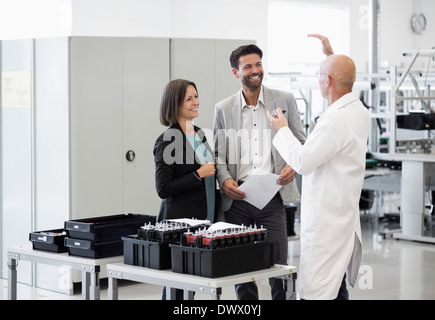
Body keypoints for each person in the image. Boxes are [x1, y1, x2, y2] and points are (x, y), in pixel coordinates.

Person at [266, 46, 370, 299]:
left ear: (328, 80)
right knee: (336, 284)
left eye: (319, 75)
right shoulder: (358, 111)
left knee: (317, 291)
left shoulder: (336, 120)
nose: (317, 80)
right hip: (341, 218)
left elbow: (302, 161)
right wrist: (330, 58)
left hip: (326, 224)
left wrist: (281, 128)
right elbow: (341, 74)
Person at [213, 44, 306, 300]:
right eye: (248, 67)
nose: (255, 71)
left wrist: (293, 165)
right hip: (237, 198)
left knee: (280, 267)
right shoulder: (223, 108)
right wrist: (225, 179)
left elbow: (300, 141)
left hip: (273, 198)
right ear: (236, 73)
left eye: (258, 65)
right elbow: (217, 155)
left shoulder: (283, 100)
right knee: (240, 268)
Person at [153, 79, 216, 299]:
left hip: (204, 219)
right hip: (180, 223)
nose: (195, 102)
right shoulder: (168, 140)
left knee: (192, 281)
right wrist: (198, 174)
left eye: (196, 96)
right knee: (177, 286)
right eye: (189, 99)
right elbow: (163, 189)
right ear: (174, 104)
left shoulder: (199, 133)